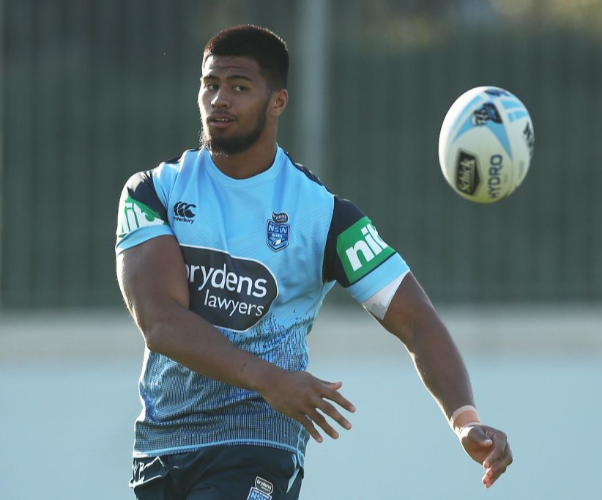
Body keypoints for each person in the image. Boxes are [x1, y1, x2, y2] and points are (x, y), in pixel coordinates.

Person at [116, 24, 512, 500]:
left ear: (278, 101)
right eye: (210, 84)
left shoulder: (324, 218)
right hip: (161, 448)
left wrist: (464, 420)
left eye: (239, 87)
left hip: (258, 442)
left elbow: (417, 323)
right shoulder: (152, 192)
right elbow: (159, 321)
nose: (219, 99)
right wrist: (268, 377)